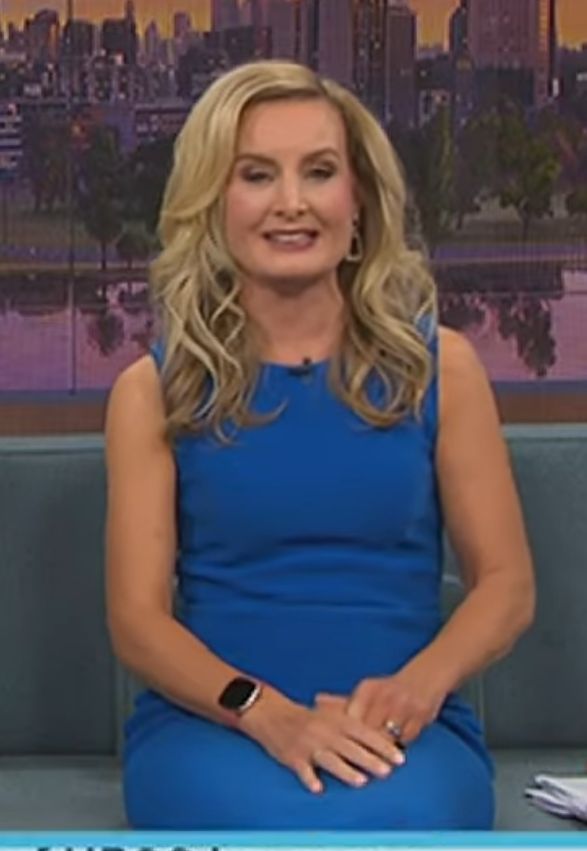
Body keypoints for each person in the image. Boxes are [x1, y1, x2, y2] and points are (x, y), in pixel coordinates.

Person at [105, 60, 535, 830]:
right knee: (266, 825)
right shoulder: (153, 390)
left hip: (400, 726)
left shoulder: (441, 368)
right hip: (216, 723)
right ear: (214, 202)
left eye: (319, 171)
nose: (291, 203)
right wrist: (266, 712)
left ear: (357, 199)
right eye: (256, 175)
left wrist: (416, 688)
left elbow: (505, 586)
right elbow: (138, 621)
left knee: (400, 822)